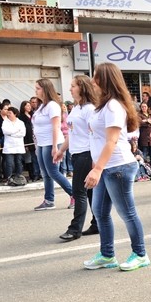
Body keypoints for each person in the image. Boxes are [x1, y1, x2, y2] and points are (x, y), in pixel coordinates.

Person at [83, 63, 149, 271]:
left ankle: (140, 254)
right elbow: (97, 139)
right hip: (106, 166)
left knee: (127, 213)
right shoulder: (102, 105)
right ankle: (107, 255)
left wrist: (97, 169)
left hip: (118, 166)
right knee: (100, 212)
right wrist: (96, 166)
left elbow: (111, 141)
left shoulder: (113, 106)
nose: (92, 81)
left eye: (96, 77)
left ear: (105, 79)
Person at [55, 74, 99, 241]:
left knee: (79, 192)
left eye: (73, 86)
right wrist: (61, 150)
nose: (70, 89)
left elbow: (95, 134)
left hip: (86, 154)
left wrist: (95, 161)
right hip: (76, 153)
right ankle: (97, 224)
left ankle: (75, 229)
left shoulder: (89, 109)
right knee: (90, 193)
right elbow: (72, 133)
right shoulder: (76, 108)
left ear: (82, 87)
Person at [32, 78, 73, 210]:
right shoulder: (42, 106)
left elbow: (56, 127)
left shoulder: (52, 106)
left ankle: (75, 195)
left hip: (51, 143)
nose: (36, 91)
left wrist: (55, 147)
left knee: (53, 172)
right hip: (41, 143)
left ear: (45, 89)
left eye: (38, 88)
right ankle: (49, 200)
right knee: (45, 174)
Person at [1, 106, 26, 184]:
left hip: (18, 146)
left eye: (10, 113)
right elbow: (5, 131)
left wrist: (11, 134)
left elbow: (22, 133)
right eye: (8, 113)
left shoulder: (21, 122)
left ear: (15, 114)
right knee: (9, 163)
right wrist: (16, 131)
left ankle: (19, 178)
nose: (8, 114)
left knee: (18, 162)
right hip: (9, 146)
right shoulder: (5, 122)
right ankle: (9, 179)